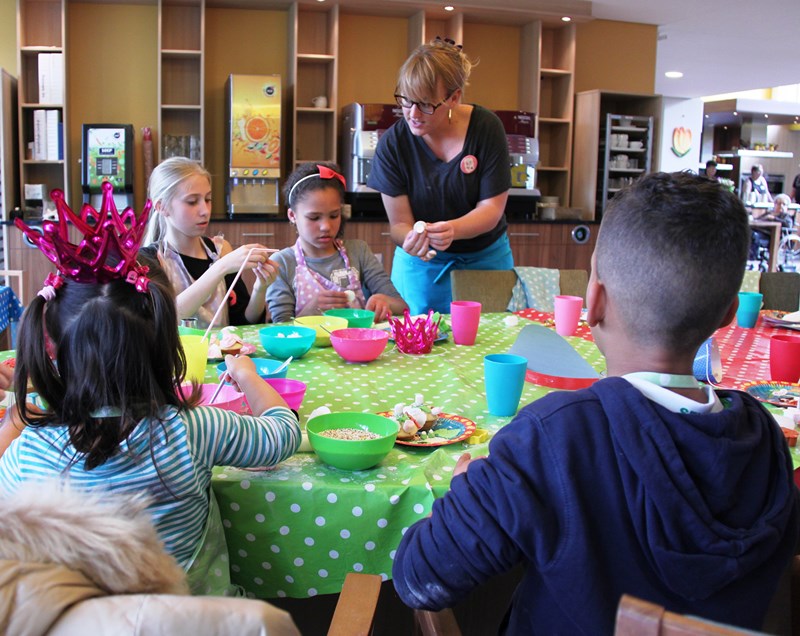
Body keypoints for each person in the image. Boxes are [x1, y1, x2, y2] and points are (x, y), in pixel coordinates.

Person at [391, 172, 799, 634]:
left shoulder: (552, 438)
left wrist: (468, 493)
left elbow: (419, 578)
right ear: (727, 315)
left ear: (594, 299)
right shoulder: (766, 442)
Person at [0, 185, 301, 591]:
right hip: (197, 621)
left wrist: (16, 423)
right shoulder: (193, 430)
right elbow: (283, 434)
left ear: (50, 343)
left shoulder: (29, 452)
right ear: (165, 341)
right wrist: (247, 375)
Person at [367, 37, 513, 314]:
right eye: (406, 101)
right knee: (414, 348)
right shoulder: (394, 144)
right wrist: (410, 238)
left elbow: (491, 210)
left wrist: (453, 230)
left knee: (488, 342)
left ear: (454, 98)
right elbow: (399, 223)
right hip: (420, 268)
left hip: (485, 261)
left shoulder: (486, 129)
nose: (412, 114)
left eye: (425, 104)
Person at [143, 157, 279, 328]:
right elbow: (164, 319)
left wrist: (261, 288)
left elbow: (243, 322)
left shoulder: (221, 250)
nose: (205, 211)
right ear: (161, 207)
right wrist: (221, 267)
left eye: (207, 199)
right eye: (192, 202)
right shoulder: (150, 261)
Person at [266, 162, 408, 323]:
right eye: (314, 218)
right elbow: (280, 329)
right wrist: (309, 312)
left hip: (356, 345)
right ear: (292, 215)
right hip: (306, 348)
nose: (326, 226)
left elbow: (402, 307)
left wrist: (385, 302)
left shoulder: (358, 251)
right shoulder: (282, 262)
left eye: (334, 216)